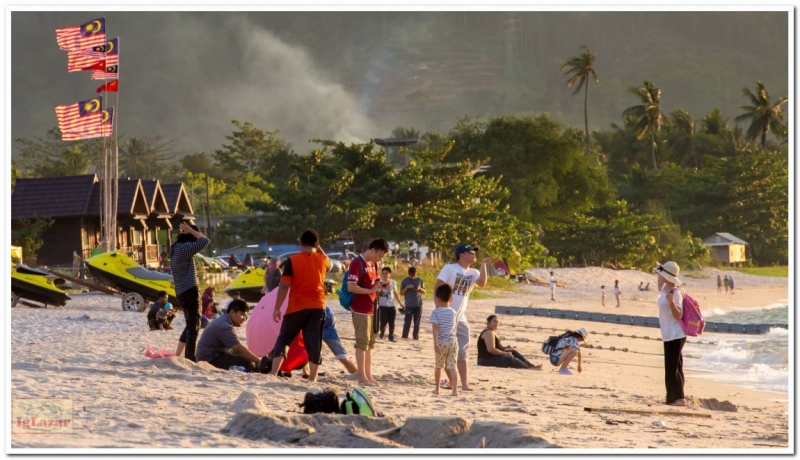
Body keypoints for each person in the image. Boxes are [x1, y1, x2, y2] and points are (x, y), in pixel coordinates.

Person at [269, 229, 332, 383]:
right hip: (318, 306)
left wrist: (277, 308)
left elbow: (284, 286)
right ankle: (313, 376)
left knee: (284, 338)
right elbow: (330, 263)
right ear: (317, 245)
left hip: (297, 306)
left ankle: (274, 372)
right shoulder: (323, 260)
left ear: (300, 243)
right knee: (314, 340)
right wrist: (318, 247)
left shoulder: (292, 260)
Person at [435, 243, 495, 392]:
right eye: (471, 252)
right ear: (462, 254)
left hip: (461, 317)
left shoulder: (473, 272)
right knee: (447, 350)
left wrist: (483, 264)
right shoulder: (450, 268)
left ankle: (464, 384)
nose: (474, 254)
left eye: (475, 252)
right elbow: (437, 288)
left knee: (462, 351)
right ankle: (452, 382)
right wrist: (439, 310)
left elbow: (482, 283)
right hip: (447, 315)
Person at [347, 238, 390, 387]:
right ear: (372, 250)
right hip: (360, 309)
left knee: (370, 344)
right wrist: (370, 291)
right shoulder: (356, 263)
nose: (380, 259)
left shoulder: (374, 264)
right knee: (361, 344)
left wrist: (382, 285)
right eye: (379, 255)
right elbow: (351, 287)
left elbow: (375, 281)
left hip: (372, 308)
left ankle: (368, 376)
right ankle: (361, 377)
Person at [169, 222, 210, 362]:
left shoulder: (174, 248)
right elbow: (205, 240)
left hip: (181, 292)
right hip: (190, 291)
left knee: (190, 325)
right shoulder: (185, 248)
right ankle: (190, 359)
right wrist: (191, 230)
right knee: (194, 328)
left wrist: (188, 230)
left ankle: (180, 355)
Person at [196, 299, 261, 372]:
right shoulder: (224, 326)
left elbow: (236, 348)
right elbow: (238, 348)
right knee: (249, 362)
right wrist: (259, 361)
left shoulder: (223, 320)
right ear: (232, 312)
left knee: (249, 359)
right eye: (242, 315)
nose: (244, 319)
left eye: (246, 316)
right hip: (209, 359)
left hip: (211, 356)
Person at [655, 261, 686, 407]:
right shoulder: (664, 289)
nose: (660, 276)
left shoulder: (675, 292)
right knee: (672, 365)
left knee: (673, 367)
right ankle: (675, 397)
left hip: (676, 334)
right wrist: (660, 269)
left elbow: (678, 315)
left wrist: (672, 302)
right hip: (668, 334)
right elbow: (659, 283)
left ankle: (678, 399)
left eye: (662, 274)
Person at [478, 315, 542, 369]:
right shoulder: (488, 332)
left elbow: (495, 347)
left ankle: (530, 366)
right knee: (510, 359)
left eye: (497, 322)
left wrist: (504, 348)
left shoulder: (491, 331)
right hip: (485, 360)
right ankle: (527, 368)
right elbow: (491, 350)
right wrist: (504, 353)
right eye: (494, 321)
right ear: (488, 323)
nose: (496, 323)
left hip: (491, 357)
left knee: (512, 351)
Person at [430, 284, 458, 396]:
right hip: (453, 341)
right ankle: (455, 390)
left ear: (437, 299)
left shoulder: (436, 312)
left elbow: (435, 328)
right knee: (452, 367)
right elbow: (455, 327)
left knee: (438, 366)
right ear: (451, 299)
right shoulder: (453, 312)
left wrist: (435, 343)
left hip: (442, 341)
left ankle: (437, 389)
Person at [322, 306, 358, 374]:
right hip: (323, 311)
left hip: (318, 312)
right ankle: (355, 373)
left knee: (308, 348)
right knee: (341, 352)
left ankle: (308, 373)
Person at [377, 267, 404, 342]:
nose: (385, 275)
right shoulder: (379, 282)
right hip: (382, 306)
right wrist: (383, 288)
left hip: (391, 305)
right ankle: (382, 332)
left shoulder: (393, 282)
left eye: (386, 273)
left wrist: (400, 303)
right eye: (383, 273)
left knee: (392, 322)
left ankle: (391, 336)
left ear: (389, 274)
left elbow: (395, 293)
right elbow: (377, 293)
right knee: (383, 321)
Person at [401, 266, 426, 340]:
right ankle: (404, 336)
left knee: (417, 323)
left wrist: (419, 289)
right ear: (409, 273)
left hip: (418, 304)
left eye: (414, 275)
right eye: (411, 275)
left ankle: (415, 337)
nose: (413, 276)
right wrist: (407, 288)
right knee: (407, 322)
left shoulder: (419, 280)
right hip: (409, 305)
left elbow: (424, 291)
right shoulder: (404, 281)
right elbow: (401, 293)